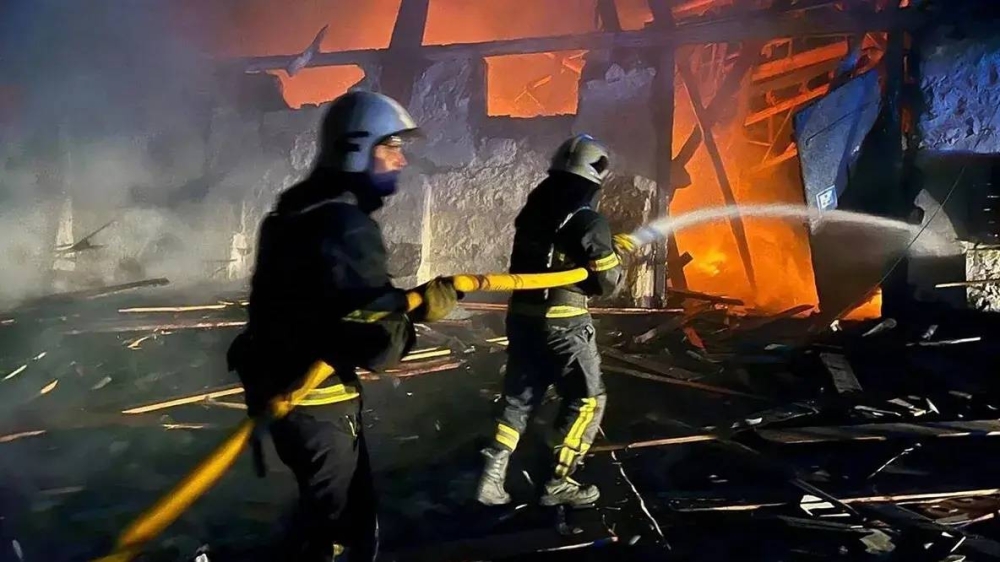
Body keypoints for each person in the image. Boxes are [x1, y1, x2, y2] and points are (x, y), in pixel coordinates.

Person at [227, 91, 458, 562]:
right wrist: (417, 313)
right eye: (391, 146)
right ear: (359, 147)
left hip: (281, 391)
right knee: (342, 531)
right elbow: (377, 345)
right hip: (316, 401)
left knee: (319, 513)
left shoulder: (293, 212)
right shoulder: (346, 224)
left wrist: (398, 303)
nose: (401, 158)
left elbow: (326, 302)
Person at [475, 134, 625, 508]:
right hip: (565, 325)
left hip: (523, 320)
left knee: (519, 399)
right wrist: (613, 259)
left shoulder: (535, 209)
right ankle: (557, 480)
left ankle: (489, 479)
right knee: (588, 400)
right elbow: (606, 284)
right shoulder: (589, 219)